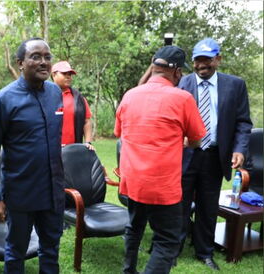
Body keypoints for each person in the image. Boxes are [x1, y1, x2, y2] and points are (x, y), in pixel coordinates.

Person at [114, 46, 206, 274]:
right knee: (167, 240)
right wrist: (182, 142)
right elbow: (196, 139)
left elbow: (120, 133)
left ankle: (129, 271)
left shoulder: (130, 95)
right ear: (175, 72)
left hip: (133, 182)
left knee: (134, 228)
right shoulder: (183, 98)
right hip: (163, 186)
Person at [0, 38, 65, 273]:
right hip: (21, 193)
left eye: (47, 57)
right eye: (35, 57)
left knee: (51, 248)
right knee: (16, 250)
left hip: (52, 191)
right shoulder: (4, 99)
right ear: (20, 63)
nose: (43, 62)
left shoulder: (55, 93)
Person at [177, 38, 252, 270]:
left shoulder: (236, 85)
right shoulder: (181, 84)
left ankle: (204, 252)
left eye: (207, 60)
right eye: (198, 60)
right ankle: (173, 249)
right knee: (179, 203)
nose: (202, 65)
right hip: (185, 155)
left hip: (214, 155)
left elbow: (243, 122)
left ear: (218, 59)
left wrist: (239, 149)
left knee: (208, 206)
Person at [51, 61, 94, 150]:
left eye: (70, 74)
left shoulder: (78, 98)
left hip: (73, 150)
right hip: (50, 150)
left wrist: (88, 142)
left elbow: (87, 121)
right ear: (54, 75)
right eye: (64, 73)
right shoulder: (45, 96)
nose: (68, 77)